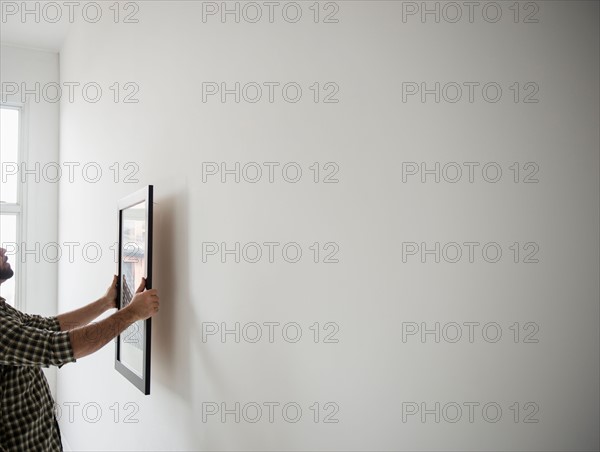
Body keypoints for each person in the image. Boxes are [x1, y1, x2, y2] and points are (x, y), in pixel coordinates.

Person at [0, 247, 160, 451]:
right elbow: (56, 347)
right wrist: (131, 314)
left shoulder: (2, 309)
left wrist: (106, 303)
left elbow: (50, 326)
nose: (3, 250)